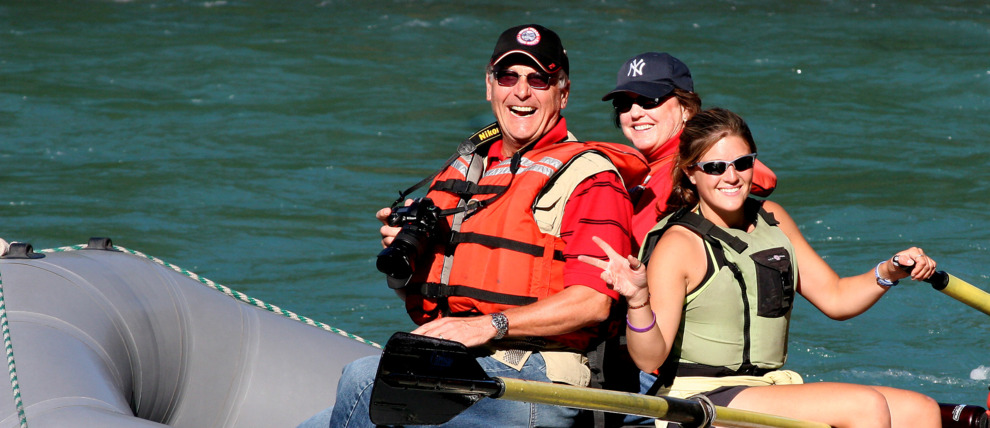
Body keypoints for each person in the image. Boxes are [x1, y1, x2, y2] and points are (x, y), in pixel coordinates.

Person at [300, 24, 649, 427]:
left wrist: (491, 325)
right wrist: (403, 261)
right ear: (490, 86)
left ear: (562, 93)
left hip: (537, 378)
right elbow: (431, 297)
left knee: (363, 379)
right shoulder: (468, 170)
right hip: (459, 362)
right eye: (508, 77)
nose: (521, 92)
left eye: (539, 79)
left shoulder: (591, 178)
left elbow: (593, 301)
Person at [580, 108, 941, 428]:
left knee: (920, 410)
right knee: (864, 406)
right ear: (691, 173)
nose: (732, 176)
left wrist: (890, 271)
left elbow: (836, 298)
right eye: (715, 167)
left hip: (767, 386)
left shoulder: (774, 219)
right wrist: (638, 298)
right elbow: (649, 357)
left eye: (742, 163)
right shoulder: (679, 245)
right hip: (700, 396)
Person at [601, 52, 778, 245]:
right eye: (624, 104)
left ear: (686, 107)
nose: (635, 113)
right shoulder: (634, 169)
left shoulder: (695, 163)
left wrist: (703, 155)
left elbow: (763, 179)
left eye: (650, 100)